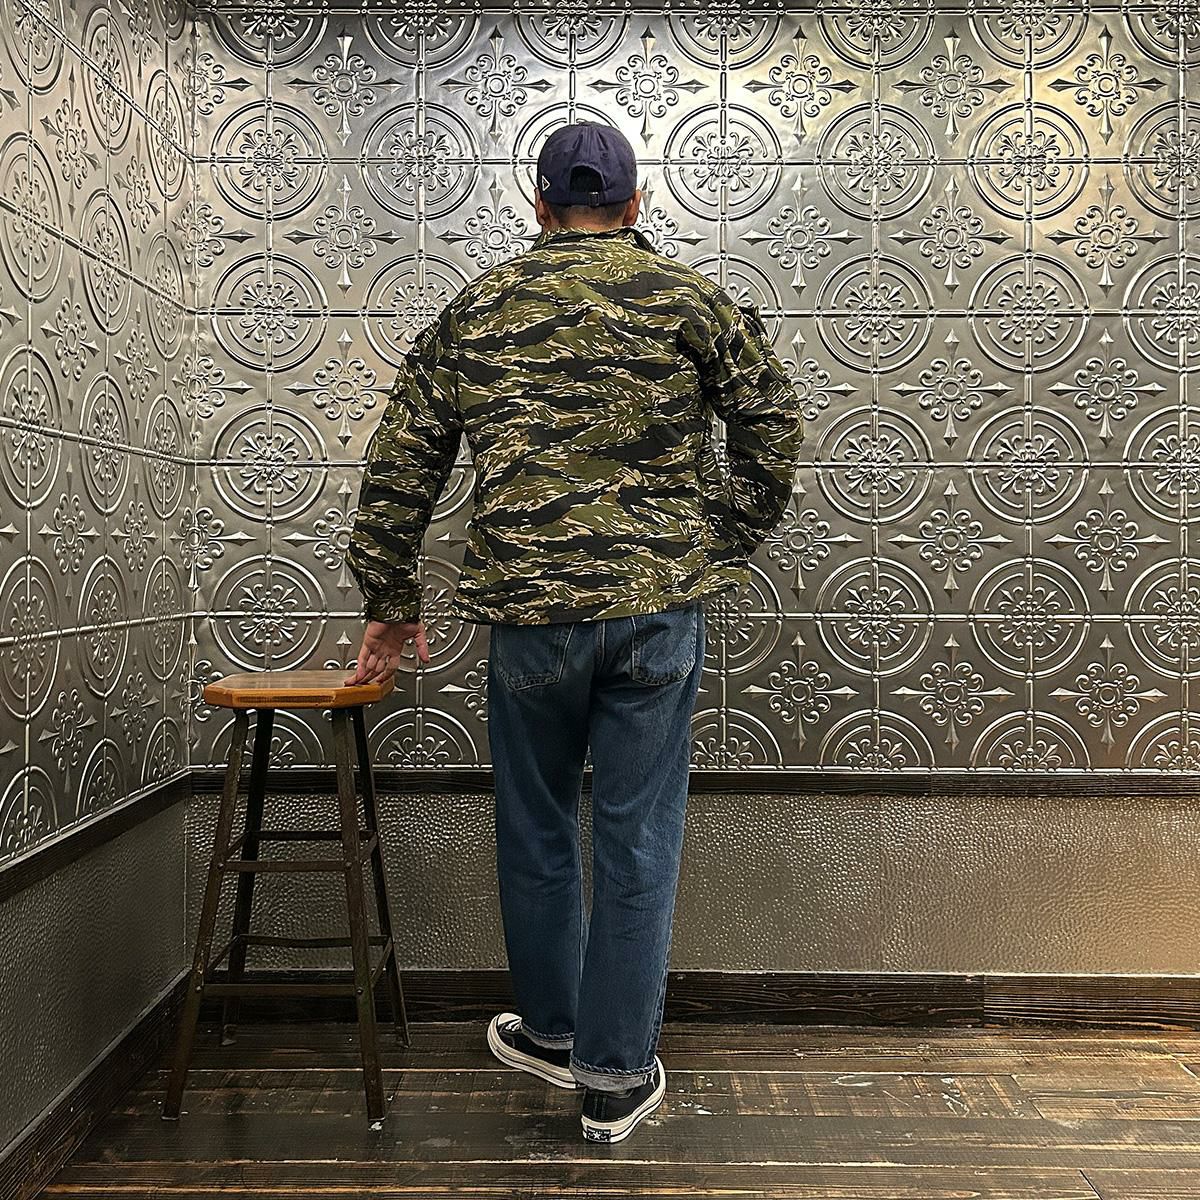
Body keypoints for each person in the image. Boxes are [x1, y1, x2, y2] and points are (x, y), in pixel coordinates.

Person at [345, 121, 804, 1144]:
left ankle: (553, 1031)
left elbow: (403, 458)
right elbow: (773, 426)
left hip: (530, 618)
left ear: (539, 204)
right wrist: (714, 540)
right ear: (634, 204)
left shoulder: (479, 306)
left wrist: (390, 601)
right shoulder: (691, 299)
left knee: (538, 823)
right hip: (654, 612)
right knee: (638, 836)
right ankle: (613, 1075)